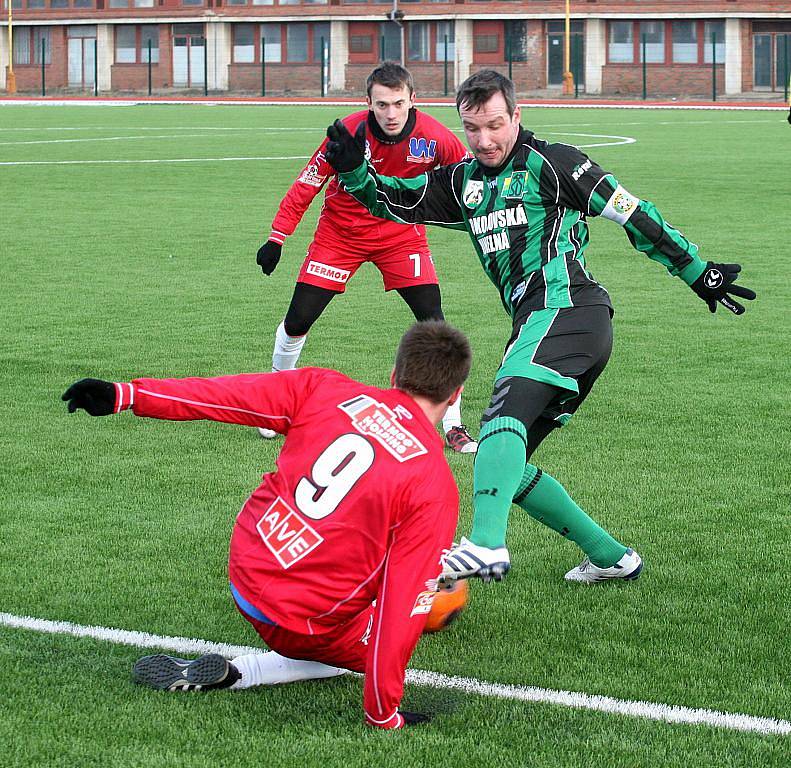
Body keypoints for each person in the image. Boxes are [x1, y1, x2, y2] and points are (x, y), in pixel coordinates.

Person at [322, 69, 756, 585]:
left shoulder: (556, 164)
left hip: (568, 311)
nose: (484, 140)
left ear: (517, 117)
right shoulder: (462, 183)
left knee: (497, 426)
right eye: (472, 128)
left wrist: (695, 270)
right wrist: (354, 173)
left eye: (495, 125)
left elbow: (633, 214)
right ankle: (611, 556)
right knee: (507, 463)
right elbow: (399, 201)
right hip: (543, 326)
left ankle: (484, 545)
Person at [62, 321, 471, 730]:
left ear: (394, 374)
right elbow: (400, 611)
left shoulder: (325, 387)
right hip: (300, 621)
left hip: (246, 567)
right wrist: (383, 714)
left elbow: (228, 395)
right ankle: (248, 671)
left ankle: (248, 664)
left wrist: (128, 394)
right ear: (454, 395)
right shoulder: (434, 485)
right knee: (402, 618)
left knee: (393, 556)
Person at [254, 61, 477, 454]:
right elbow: (307, 183)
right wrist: (277, 237)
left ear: (413, 101)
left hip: (401, 237)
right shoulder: (348, 133)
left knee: (435, 324)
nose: (390, 113)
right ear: (368, 103)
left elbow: (467, 180)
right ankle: (275, 407)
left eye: (398, 103)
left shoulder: (436, 138)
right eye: (381, 105)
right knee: (298, 319)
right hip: (340, 236)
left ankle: (454, 424)